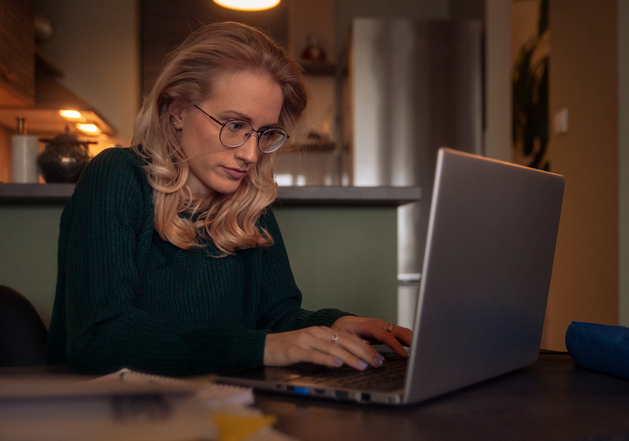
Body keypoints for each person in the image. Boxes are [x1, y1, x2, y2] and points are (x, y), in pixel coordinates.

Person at [46, 22, 412, 376]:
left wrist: (334, 324)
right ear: (177, 112)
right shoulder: (117, 177)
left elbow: (277, 321)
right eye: (234, 125)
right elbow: (98, 337)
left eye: (265, 132)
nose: (251, 155)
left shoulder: (250, 201)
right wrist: (262, 348)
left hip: (216, 410)